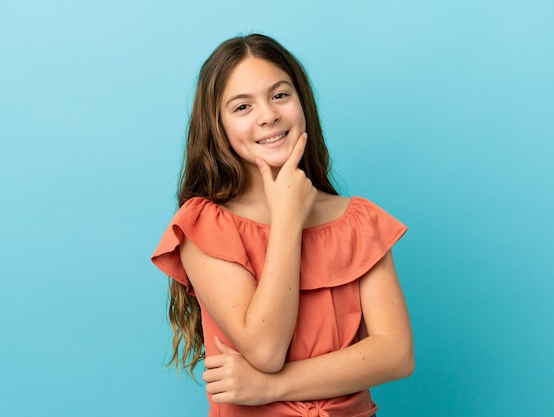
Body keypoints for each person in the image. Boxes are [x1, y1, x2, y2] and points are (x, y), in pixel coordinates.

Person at [151, 33, 413, 417]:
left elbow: (396, 354)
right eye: (242, 106)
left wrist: (271, 387)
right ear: (217, 125)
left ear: (301, 102)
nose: (268, 115)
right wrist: (288, 218)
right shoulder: (204, 225)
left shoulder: (358, 221)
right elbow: (265, 349)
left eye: (279, 95)